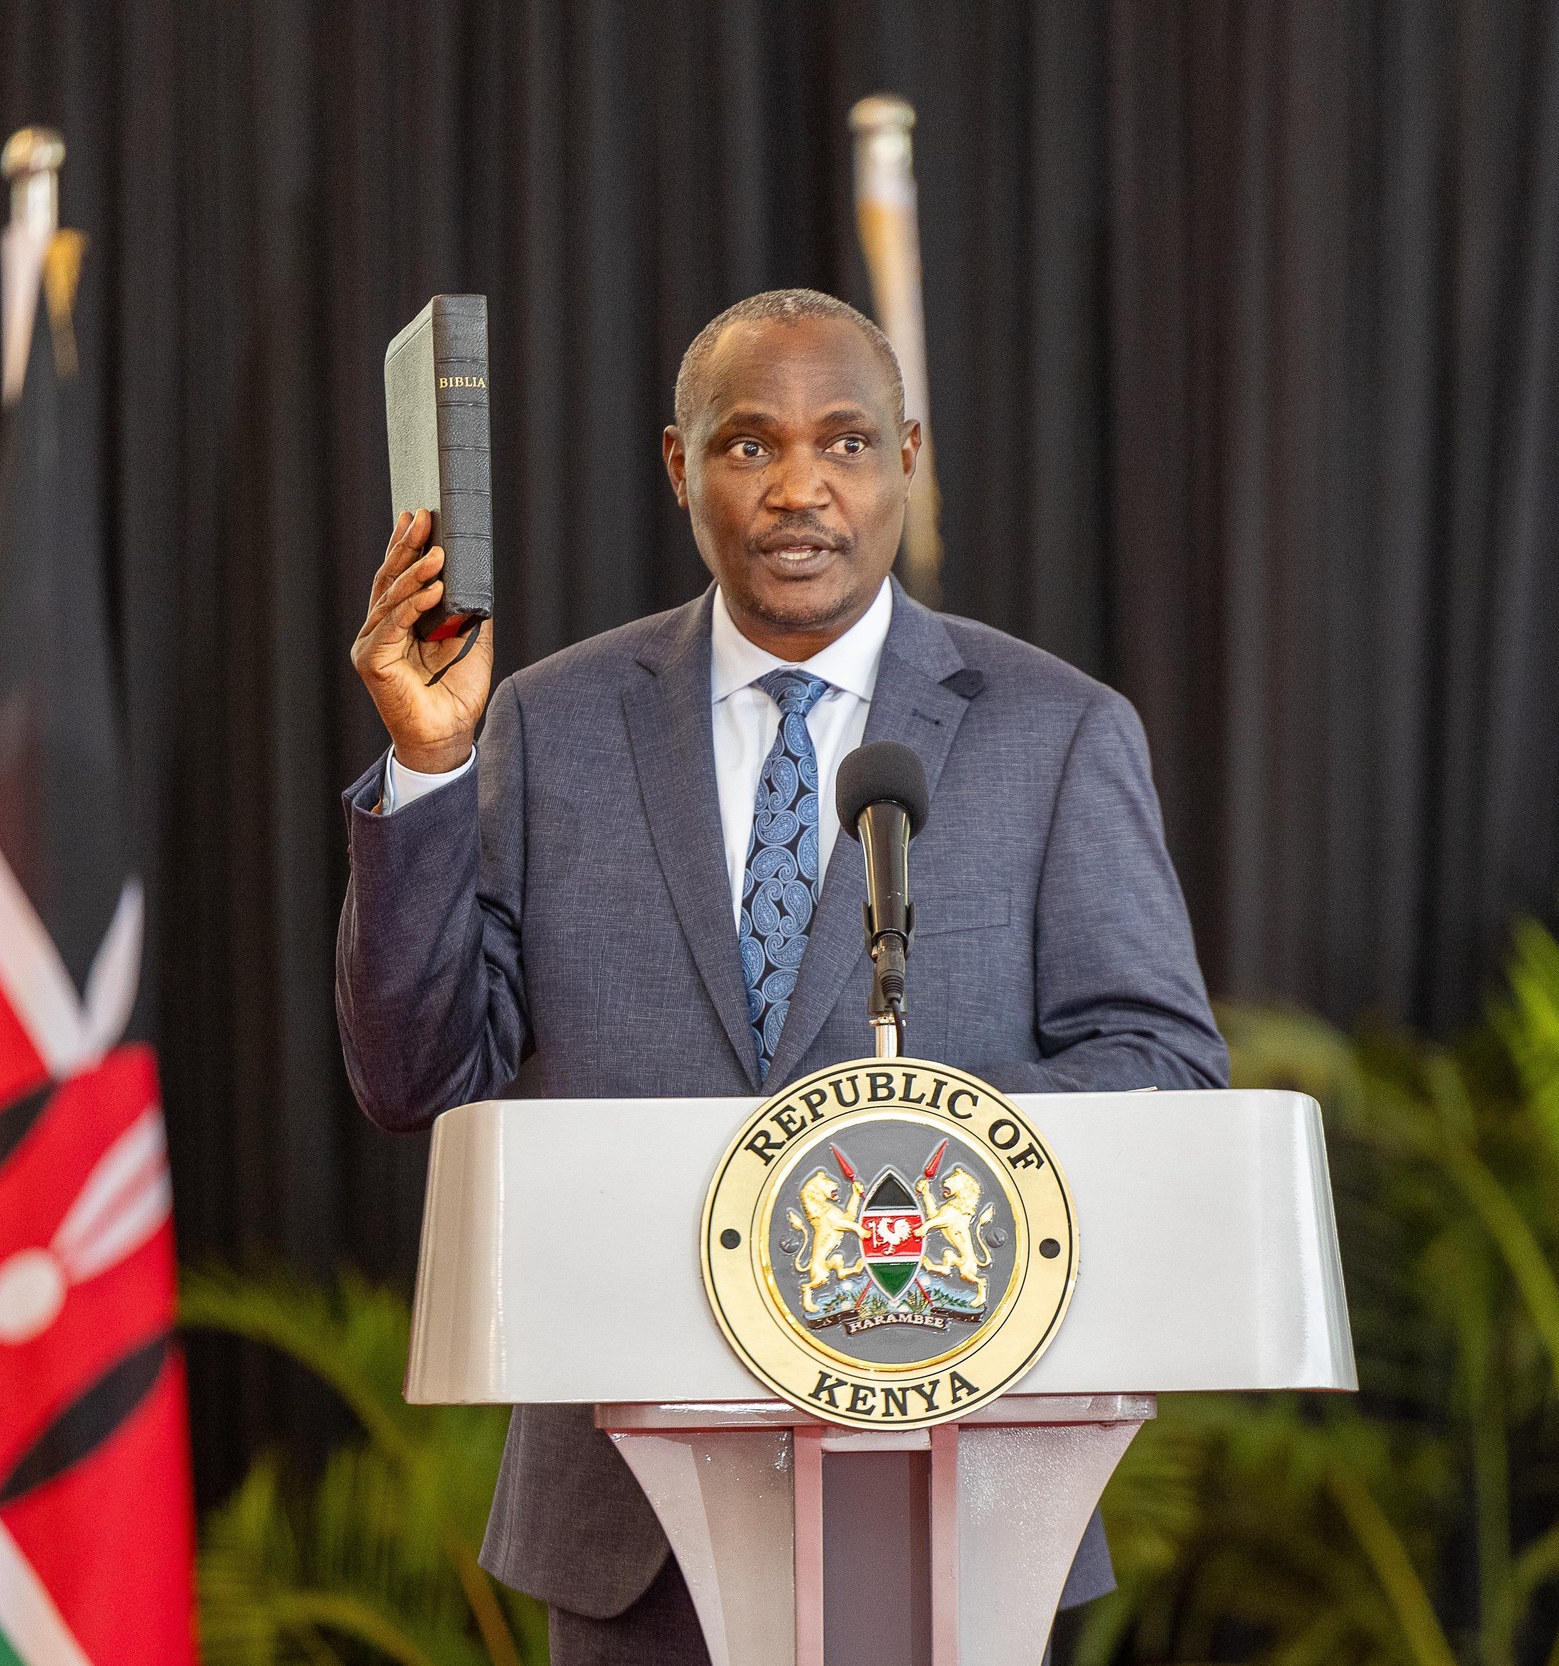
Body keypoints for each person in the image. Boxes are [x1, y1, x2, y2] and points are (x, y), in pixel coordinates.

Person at [339, 288, 1227, 1665]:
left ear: (909, 459)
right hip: (634, 1518)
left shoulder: (1058, 732)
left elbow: (1163, 1070)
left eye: (848, 443)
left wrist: (891, 1147)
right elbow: (417, 1073)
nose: (801, 485)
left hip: (961, 1481)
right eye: (751, 444)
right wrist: (429, 765)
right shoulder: (547, 722)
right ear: (681, 465)